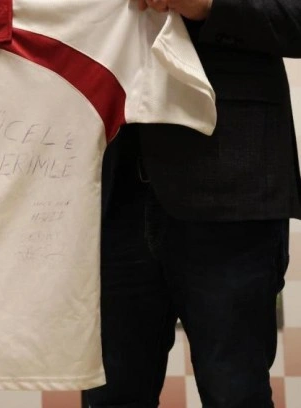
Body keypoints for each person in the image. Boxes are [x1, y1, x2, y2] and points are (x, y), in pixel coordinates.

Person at [85, 0, 301, 407]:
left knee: (235, 394)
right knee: (110, 396)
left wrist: (210, 4)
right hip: (104, 187)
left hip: (232, 187)